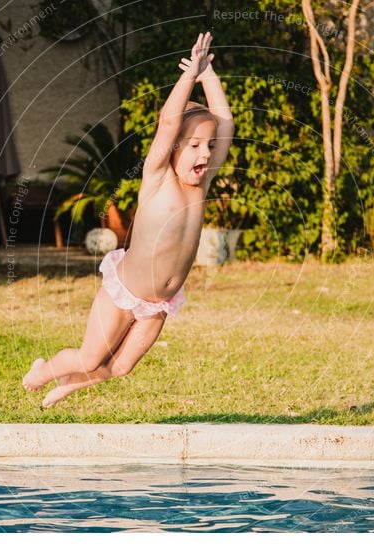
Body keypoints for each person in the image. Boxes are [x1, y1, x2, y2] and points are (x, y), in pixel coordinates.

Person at [23, 32, 234, 408]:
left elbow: (225, 123)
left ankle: (71, 385)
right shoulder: (157, 178)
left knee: (121, 367)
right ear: (173, 149)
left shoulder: (201, 186)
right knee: (91, 357)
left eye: (210, 147)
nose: (205, 154)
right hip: (123, 293)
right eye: (195, 145)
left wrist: (209, 76)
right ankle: (44, 371)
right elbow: (169, 124)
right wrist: (189, 78)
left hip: (159, 302)